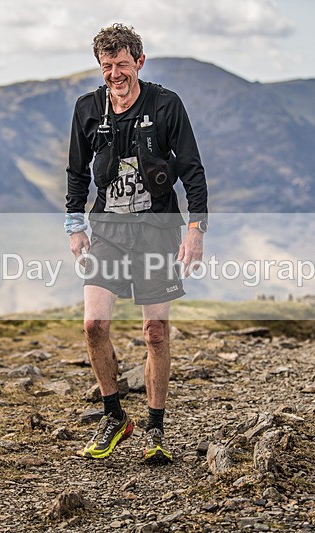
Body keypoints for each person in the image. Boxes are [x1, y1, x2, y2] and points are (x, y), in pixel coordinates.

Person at [65, 23, 208, 464]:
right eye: (107, 66)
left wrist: (196, 230)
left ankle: (155, 428)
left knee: (155, 332)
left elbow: (192, 169)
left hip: (156, 231)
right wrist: (74, 224)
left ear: (139, 62)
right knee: (94, 325)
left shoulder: (166, 105)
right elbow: (76, 171)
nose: (115, 74)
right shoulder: (88, 109)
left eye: (123, 64)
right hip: (107, 231)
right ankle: (115, 416)